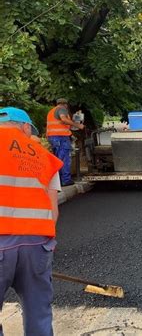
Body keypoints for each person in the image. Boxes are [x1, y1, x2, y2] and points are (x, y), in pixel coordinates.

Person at [0, 107, 63, 336]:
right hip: (37, 244)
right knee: (38, 312)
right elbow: (53, 210)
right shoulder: (45, 157)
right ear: (25, 127)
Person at [46, 98, 84, 186]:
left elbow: (61, 123)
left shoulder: (51, 111)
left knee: (57, 160)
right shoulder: (62, 109)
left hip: (53, 137)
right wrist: (78, 125)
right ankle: (66, 180)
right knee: (64, 159)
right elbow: (64, 119)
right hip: (61, 138)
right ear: (65, 104)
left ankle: (57, 181)